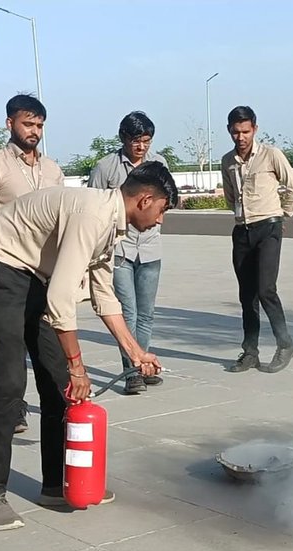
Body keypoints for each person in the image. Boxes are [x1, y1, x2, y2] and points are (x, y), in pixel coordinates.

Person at [0, 165, 171, 529]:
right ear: (145, 200)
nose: (160, 221)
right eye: (162, 210)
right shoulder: (93, 214)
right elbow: (62, 296)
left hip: (34, 275)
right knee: (10, 383)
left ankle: (54, 484)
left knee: (58, 383)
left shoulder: (110, 224)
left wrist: (135, 352)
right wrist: (78, 365)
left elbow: (104, 294)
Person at [0, 94, 63, 431]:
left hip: (42, 273)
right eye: (28, 124)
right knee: (6, 348)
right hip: (4, 272)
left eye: (39, 125)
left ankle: (53, 406)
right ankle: (13, 407)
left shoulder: (52, 170)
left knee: (45, 348)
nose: (34, 131)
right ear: (10, 123)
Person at [88, 111, 168, 394]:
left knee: (146, 313)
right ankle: (131, 371)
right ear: (123, 139)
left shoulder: (159, 164)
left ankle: (143, 364)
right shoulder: (106, 167)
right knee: (128, 312)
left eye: (146, 140)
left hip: (150, 249)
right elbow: (92, 205)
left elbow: (164, 202)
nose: (141, 146)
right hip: (119, 249)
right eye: (136, 140)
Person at [221, 106, 293, 373]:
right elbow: (231, 195)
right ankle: (250, 351)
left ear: (254, 128)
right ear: (229, 131)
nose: (240, 137)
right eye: (235, 132)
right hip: (243, 230)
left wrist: (282, 216)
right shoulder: (227, 161)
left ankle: (285, 344)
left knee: (266, 289)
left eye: (245, 131)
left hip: (268, 228)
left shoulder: (271, 155)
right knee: (247, 295)